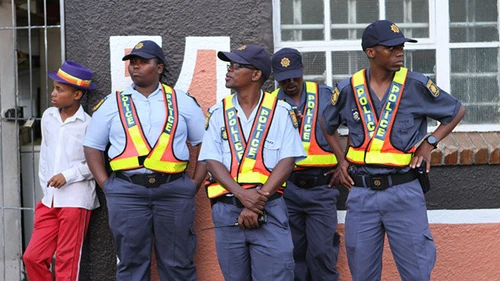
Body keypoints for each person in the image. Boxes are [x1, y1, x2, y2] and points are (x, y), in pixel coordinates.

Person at [321, 20, 466, 281]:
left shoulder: (416, 85)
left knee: (417, 273)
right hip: (361, 193)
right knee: (362, 274)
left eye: (401, 47)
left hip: (404, 191)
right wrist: (341, 160)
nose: (399, 52)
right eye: (391, 48)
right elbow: (326, 123)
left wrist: (429, 143)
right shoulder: (347, 89)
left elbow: (456, 111)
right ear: (371, 52)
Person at [83, 40, 206, 281]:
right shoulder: (112, 103)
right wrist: (106, 185)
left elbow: (205, 145)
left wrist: (194, 184)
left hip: (174, 191)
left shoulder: (183, 102)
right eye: (132, 63)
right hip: (127, 192)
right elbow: (92, 146)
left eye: (143, 62)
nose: (135, 67)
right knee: (131, 265)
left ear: (159, 68)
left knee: (178, 264)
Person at [199, 44, 306, 281]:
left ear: (256, 74)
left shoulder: (281, 111)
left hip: (268, 208)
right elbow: (211, 160)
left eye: (236, 66)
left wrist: (257, 200)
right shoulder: (218, 112)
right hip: (227, 210)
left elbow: (287, 160)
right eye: (229, 65)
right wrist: (242, 195)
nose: (229, 70)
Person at [23, 60, 100, 281]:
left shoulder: (88, 124)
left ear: (77, 95)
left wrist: (67, 176)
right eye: (54, 88)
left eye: (59, 89)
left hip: (75, 202)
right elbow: (45, 156)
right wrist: (45, 191)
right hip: (50, 201)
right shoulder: (48, 116)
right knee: (33, 257)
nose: (53, 94)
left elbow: (95, 165)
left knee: (67, 263)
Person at [271, 48, 341, 281]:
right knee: (292, 253)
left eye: (294, 76)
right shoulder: (270, 105)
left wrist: (345, 162)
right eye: (284, 78)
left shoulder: (326, 95)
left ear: (303, 70)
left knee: (322, 252)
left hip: (322, 187)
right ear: (275, 77)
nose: (290, 83)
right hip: (286, 189)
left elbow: (356, 126)